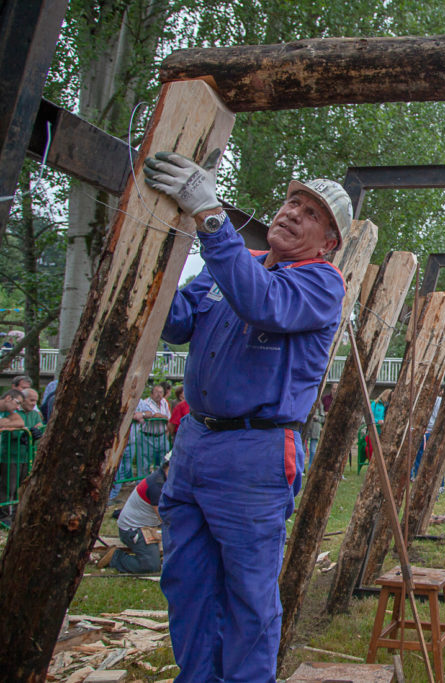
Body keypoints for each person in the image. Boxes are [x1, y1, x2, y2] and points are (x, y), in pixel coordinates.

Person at [143, 151, 351, 680]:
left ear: (328, 243)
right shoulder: (239, 264)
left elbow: (263, 304)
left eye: (311, 213)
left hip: (255, 453)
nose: (292, 213)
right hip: (194, 444)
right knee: (186, 583)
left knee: (248, 596)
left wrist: (212, 218)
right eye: (292, 201)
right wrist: (151, 251)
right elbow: (178, 321)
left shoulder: (321, 283)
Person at [104, 452, 171, 574]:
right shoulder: (156, 486)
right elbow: (165, 519)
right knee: (151, 565)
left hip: (150, 523)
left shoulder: (167, 480)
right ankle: (116, 557)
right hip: (134, 529)